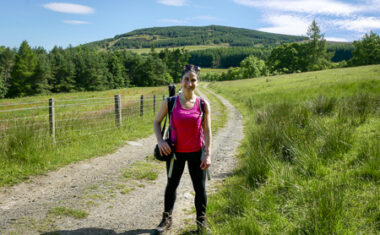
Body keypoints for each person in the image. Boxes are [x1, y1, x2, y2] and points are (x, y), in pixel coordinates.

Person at [153, 64, 212, 234]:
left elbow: (207, 130)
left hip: (196, 153)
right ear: (181, 81)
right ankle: (166, 219)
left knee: (200, 188)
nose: (189, 83)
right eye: (186, 79)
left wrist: (207, 154)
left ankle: (201, 222)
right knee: (171, 185)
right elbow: (156, 122)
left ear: (197, 82)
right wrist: (160, 141)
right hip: (175, 154)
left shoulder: (203, 104)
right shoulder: (170, 102)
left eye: (193, 80)